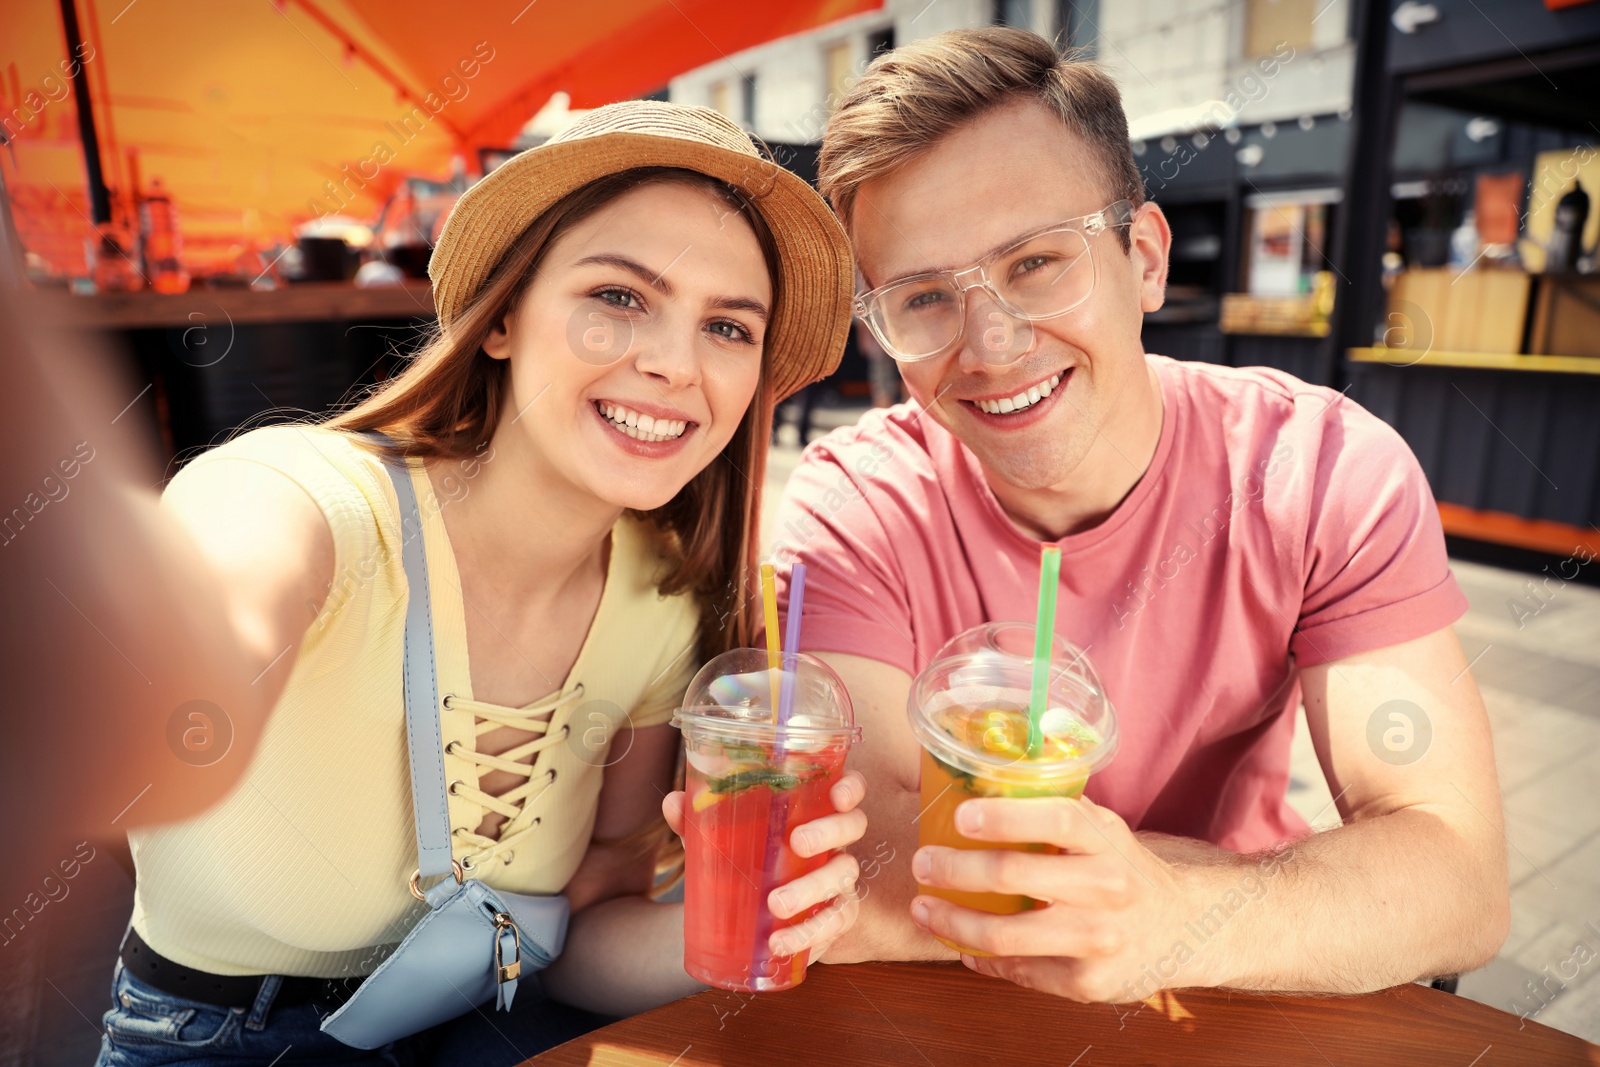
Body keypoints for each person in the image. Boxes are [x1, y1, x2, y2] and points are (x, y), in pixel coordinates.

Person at [91, 101, 867, 1066]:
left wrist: (756, 928)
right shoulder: (305, 497)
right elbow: (223, 599)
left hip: (484, 1022)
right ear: (501, 317)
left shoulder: (664, 606)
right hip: (216, 1038)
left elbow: (582, 934)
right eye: (620, 297)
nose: (675, 363)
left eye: (727, 326)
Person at [771, 28, 1509, 1002]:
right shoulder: (852, 504)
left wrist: (1168, 910)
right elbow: (850, 863)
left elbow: (1455, 877)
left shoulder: (1323, 469)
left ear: (1146, 259)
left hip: (1228, 989)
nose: (991, 344)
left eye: (1037, 262)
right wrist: (1268, 887)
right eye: (922, 297)